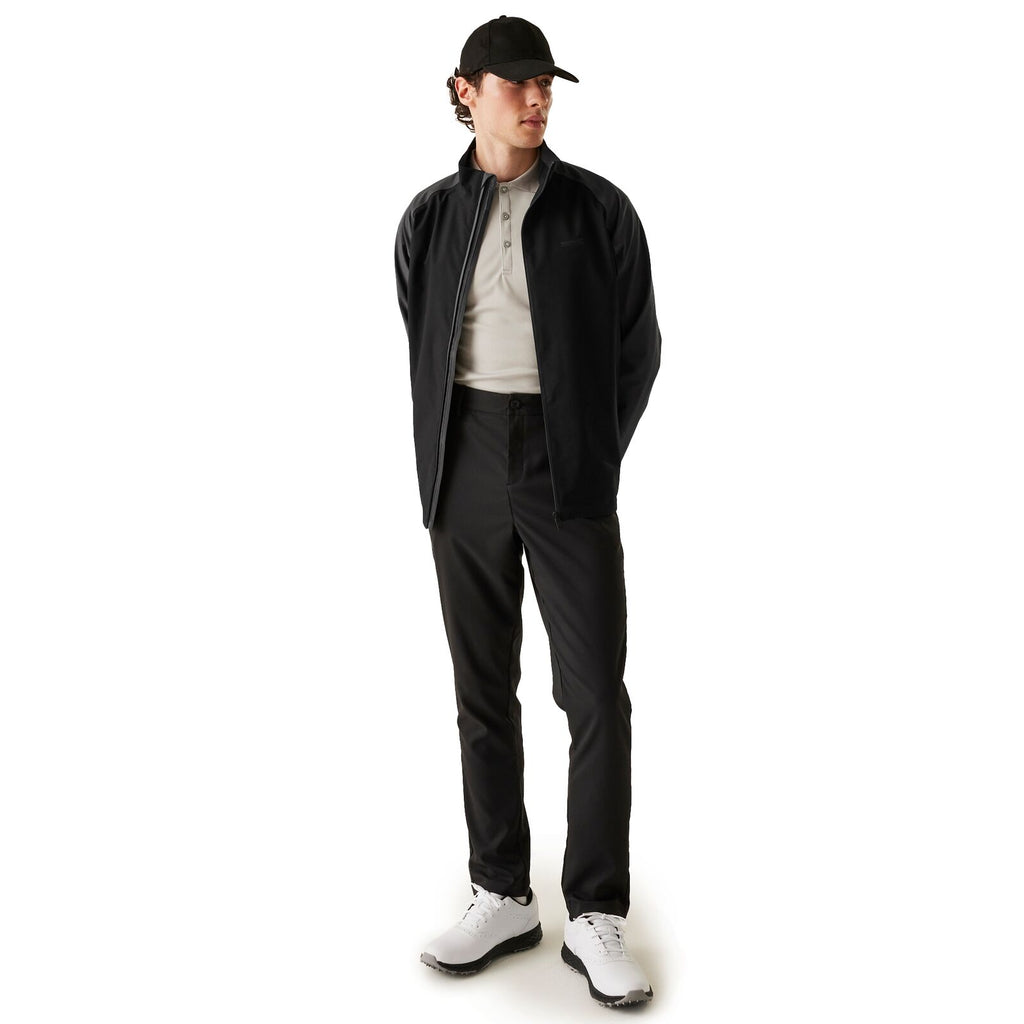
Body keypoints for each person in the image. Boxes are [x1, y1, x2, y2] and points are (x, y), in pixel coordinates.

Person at [394, 15, 661, 1009]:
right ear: (466, 93)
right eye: (515, 83)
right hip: (462, 456)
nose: (537, 98)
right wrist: (448, 449)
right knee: (481, 688)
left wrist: (588, 450)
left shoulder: (599, 211)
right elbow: (421, 331)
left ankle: (594, 911)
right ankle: (502, 891)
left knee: (595, 695)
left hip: (565, 463)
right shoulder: (429, 217)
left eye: (546, 82)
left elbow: (637, 345)